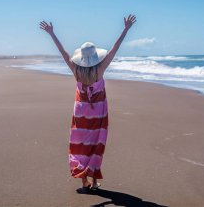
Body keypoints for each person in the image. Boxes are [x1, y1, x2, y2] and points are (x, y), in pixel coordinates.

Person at [39, 14, 136, 190]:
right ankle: (93, 181)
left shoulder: (75, 69)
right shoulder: (100, 69)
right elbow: (115, 47)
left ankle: (84, 182)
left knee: (81, 143)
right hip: (98, 112)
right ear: (95, 57)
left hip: (81, 111)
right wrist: (126, 29)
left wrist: (52, 33)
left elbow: (63, 52)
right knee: (96, 143)